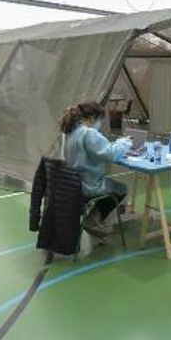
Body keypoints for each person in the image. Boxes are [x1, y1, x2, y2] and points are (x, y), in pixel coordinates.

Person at [60, 102, 132, 238]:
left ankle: (94, 218)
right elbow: (109, 153)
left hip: (73, 184)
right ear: (93, 118)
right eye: (100, 120)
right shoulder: (88, 133)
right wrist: (124, 143)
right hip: (89, 186)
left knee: (111, 185)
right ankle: (94, 219)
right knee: (121, 189)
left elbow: (98, 150)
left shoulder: (70, 131)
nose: (100, 124)